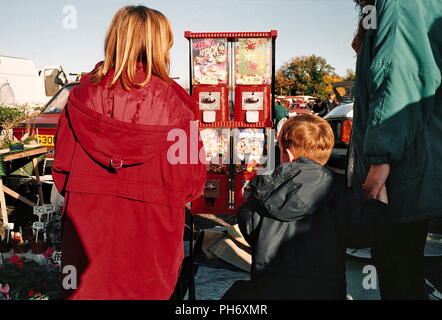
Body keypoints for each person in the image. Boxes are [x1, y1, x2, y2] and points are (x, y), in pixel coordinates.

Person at [52, 6, 207, 300]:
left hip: (88, 246)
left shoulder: (78, 101)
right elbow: (192, 185)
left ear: (114, 40)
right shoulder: (181, 112)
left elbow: (61, 174)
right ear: (161, 46)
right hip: (151, 252)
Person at [223, 114, 388, 300]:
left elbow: (248, 225)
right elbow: (364, 234)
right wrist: (379, 205)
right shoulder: (339, 193)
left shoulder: (262, 192)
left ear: (288, 154)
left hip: (269, 289)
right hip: (325, 291)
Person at [350, 0, 442, 300]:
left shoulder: (401, 2)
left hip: (403, 166)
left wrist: (380, 157)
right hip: (408, 157)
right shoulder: (378, 7)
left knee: (398, 270)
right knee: (401, 267)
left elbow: (400, 73)